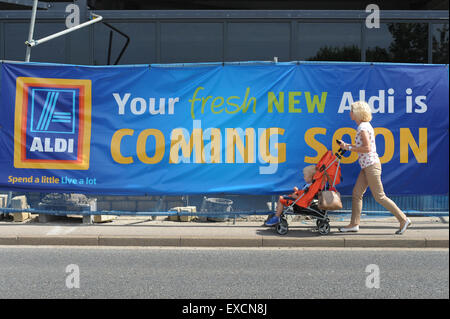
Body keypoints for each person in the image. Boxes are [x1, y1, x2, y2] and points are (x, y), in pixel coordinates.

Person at [338, 101, 412, 234]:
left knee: (379, 196)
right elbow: (364, 147)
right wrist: (347, 145)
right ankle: (354, 224)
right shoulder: (364, 126)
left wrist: (348, 147)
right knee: (356, 194)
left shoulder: (362, 128)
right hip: (367, 166)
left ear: (357, 113)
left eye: (352, 110)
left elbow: (367, 148)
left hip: (371, 166)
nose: (350, 113)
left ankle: (403, 219)